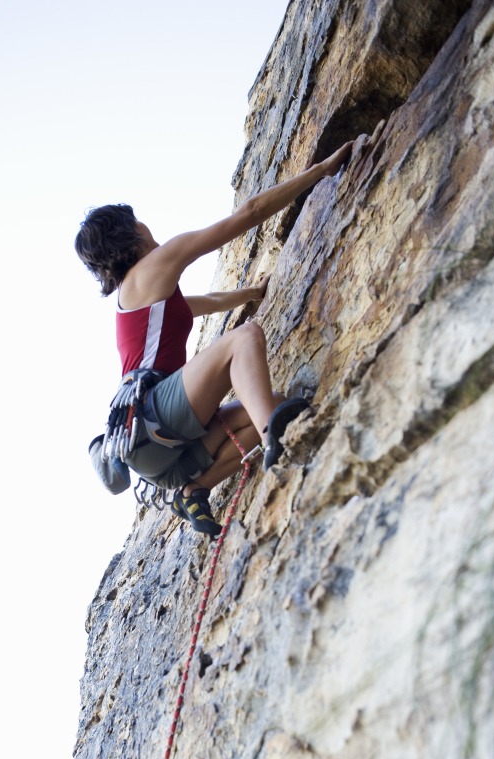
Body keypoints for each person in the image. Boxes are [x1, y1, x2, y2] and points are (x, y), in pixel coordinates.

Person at [76, 141, 352, 537]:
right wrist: (319, 170)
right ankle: (278, 435)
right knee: (244, 339)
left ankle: (194, 490)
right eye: (137, 221)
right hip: (153, 416)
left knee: (271, 402)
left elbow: (202, 303)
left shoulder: (138, 298)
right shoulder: (153, 266)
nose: (144, 224)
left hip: (160, 457)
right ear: (129, 234)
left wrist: (251, 294)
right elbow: (249, 213)